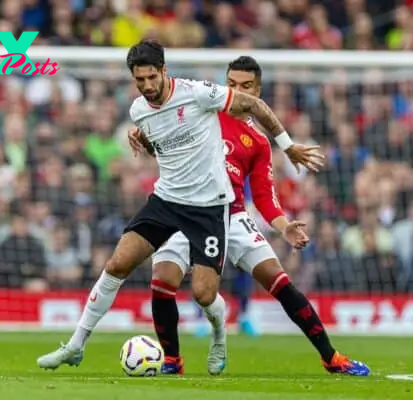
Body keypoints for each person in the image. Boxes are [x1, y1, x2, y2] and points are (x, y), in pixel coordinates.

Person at [37, 40, 321, 370]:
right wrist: (144, 141)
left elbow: (254, 107)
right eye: (139, 80)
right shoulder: (138, 111)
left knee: (203, 293)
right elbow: (164, 151)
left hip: (208, 207)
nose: (146, 86)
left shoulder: (199, 93)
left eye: (151, 78)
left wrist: (287, 147)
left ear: (164, 72)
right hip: (167, 200)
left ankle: (218, 332)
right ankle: (75, 345)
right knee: (117, 264)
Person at [134, 56, 370, 377]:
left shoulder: (258, 141)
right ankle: (173, 360)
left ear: (257, 91)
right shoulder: (202, 111)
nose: (237, 91)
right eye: (231, 84)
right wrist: (142, 137)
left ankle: (332, 358)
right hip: (185, 209)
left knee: (280, 282)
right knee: (162, 281)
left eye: (245, 86)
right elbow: (162, 137)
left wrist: (284, 226)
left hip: (232, 214)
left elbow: (263, 197)